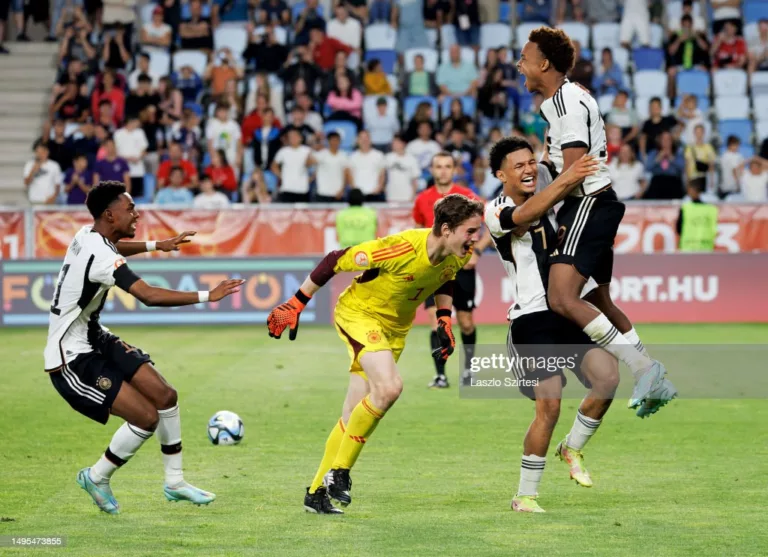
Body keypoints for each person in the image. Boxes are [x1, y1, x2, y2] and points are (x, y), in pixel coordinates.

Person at [267, 193, 484, 514]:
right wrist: (297, 302)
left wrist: (443, 319)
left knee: (351, 413)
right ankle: (339, 472)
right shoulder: (402, 247)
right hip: (359, 315)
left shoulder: (456, 255)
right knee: (390, 387)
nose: (475, 239)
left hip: (394, 331)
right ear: (447, 229)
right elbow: (335, 259)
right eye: (470, 231)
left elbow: (444, 280)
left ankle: (315, 494)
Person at [44, 181, 244, 514]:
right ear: (109, 214)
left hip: (96, 336)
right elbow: (148, 296)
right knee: (146, 418)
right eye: (130, 209)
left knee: (166, 395)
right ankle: (96, 476)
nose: (137, 213)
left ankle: (175, 482)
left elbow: (113, 249)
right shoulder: (99, 252)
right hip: (71, 358)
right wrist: (209, 295)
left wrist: (159, 245)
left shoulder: (87, 235)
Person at [516, 26, 676, 415]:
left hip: (586, 204)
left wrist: (527, 207)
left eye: (524, 57)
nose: (518, 64)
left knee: (561, 297)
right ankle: (654, 376)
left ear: (544, 64)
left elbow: (573, 172)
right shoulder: (567, 98)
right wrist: (531, 171)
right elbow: (562, 167)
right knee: (597, 299)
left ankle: (645, 370)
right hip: (598, 203)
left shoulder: (565, 103)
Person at [485, 136, 622, 513]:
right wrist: (568, 178)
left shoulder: (549, 193)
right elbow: (524, 216)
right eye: (518, 166)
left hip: (565, 310)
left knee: (608, 378)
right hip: (531, 321)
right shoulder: (494, 210)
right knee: (550, 405)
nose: (528, 169)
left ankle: (572, 446)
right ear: (501, 174)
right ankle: (525, 496)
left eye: (531, 163)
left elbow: (559, 157)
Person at [412, 152, 492, 388]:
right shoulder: (422, 199)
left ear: (454, 170)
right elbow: (418, 233)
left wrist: (476, 251)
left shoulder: (467, 197)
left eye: (448, 166)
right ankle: (440, 375)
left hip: (461, 267)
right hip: (433, 269)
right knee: (435, 321)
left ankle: (468, 371)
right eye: (439, 166)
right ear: (432, 170)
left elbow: (493, 222)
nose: (443, 170)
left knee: (466, 323)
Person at [676, 178, 718, 252]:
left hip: (688, 248)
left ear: (691, 190)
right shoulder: (711, 209)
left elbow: (679, 229)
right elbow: (714, 229)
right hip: (706, 247)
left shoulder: (685, 208)